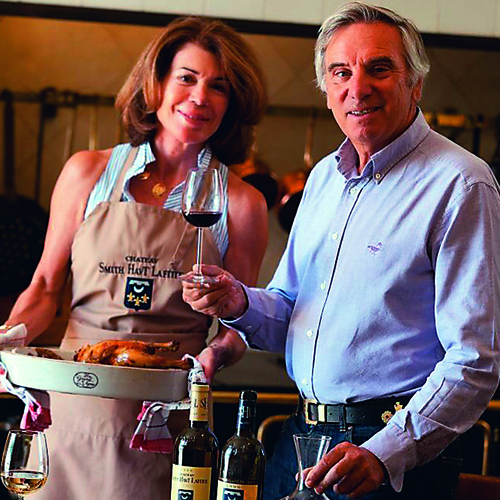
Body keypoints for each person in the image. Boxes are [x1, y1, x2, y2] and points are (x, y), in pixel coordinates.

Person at [181, 3, 500, 499]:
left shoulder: (461, 183)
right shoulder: (324, 178)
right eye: (341, 72)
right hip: (301, 437)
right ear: (327, 89)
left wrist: (383, 452)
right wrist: (239, 302)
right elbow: (291, 311)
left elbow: (475, 360)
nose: (358, 87)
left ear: (415, 83)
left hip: (390, 450)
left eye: (379, 69)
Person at [0, 16, 268, 499]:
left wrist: (216, 355)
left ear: (233, 103)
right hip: (71, 405)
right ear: (156, 83)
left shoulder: (242, 204)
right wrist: (10, 338)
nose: (200, 97)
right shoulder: (86, 173)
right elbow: (43, 287)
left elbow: (239, 326)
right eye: (186, 78)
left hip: (165, 417)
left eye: (219, 86)